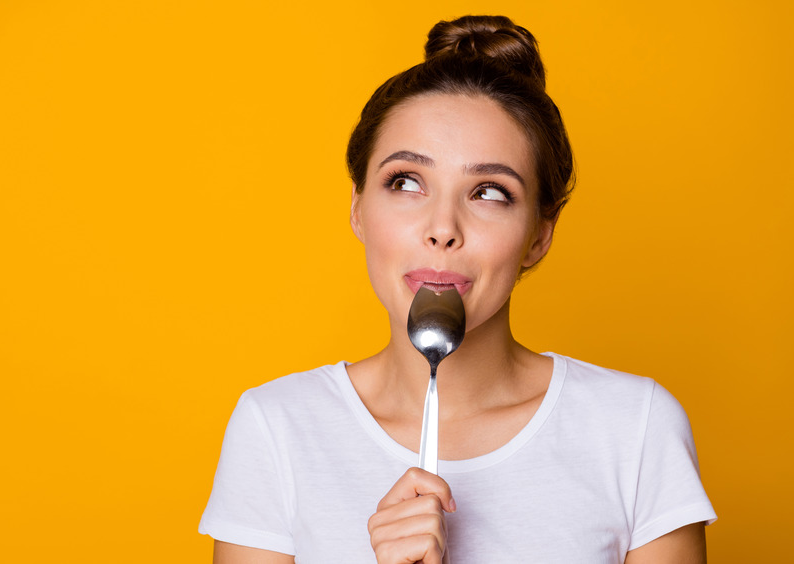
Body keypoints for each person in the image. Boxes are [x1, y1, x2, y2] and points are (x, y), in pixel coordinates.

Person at [199, 15, 716, 564]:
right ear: (357, 208)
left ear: (539, 235)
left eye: (489, 192)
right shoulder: (276, 429)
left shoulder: (634, 430)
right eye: (405, 181)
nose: (442, 227)